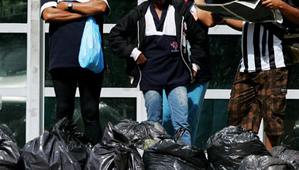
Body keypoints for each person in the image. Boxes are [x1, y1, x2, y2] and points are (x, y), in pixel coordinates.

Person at [109, 0, 205, 144]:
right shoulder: (140, 12)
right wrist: (134, 53)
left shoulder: (179, 10)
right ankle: (153, 160)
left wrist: (195, 65)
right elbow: (115, 35)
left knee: (182, 124)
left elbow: (198, 37)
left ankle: (186, 160)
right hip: (149, 76)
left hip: (177, 75)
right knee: (154, 124)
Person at [217, 0, 299, 150]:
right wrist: (223, 18)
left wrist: (281, 5)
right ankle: (245, 159)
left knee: (272, 121)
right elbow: (245, 25)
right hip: (246, 67)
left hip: (274, 65)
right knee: (237, 118)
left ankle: (270, 161)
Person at [41, 0, 110, 144]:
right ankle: (62, 160)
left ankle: (93, 161)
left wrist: (68, 6)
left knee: (91, 113)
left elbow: (101, 7)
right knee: (63, 112)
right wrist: (87, 12)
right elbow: (48, 14)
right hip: (62, 59)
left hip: (92, 60)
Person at [162, 0, 215, 147]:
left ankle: (185, 159)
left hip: (198, 72)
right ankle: (163, 157)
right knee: (165, 117)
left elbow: (209, 20)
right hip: (169, 70)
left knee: (189, 122)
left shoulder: (202, 1)